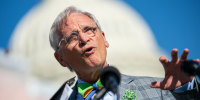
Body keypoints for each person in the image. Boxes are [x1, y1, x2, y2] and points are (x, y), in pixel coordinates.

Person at [49, 6, 200, 100]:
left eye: (89, 30)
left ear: (104, 39)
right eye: (72, 38)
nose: (83, 39)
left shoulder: (158, 91)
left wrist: (184, 90)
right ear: (61, 58)